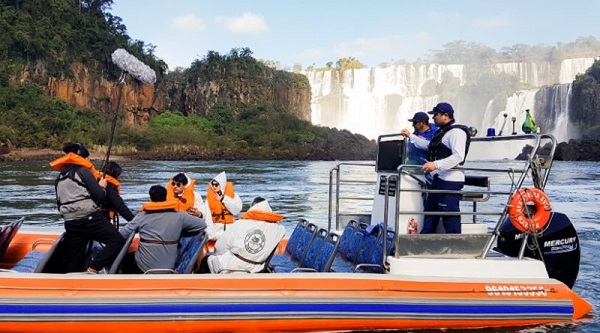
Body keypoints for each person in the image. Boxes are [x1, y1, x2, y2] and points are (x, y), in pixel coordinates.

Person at [49, 142, 125, 273]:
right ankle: (94, 267)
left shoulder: (60, 176)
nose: (89, 160)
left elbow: (59, 202)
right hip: (88, 218)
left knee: (75, 259)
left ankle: (71, 282)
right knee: (117, 240)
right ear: (81, 156)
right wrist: (102, 185)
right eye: (87, 157)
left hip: (70, 222)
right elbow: (100, 196)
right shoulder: (83, 171)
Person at [119, 185, 207, 273]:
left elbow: (123, 234)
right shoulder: (179, 216)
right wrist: (181, 230)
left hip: (143, 267)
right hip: (169, 267)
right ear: (166, 197)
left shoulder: (142, 216)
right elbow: (202, 225)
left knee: (125, 259)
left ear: (151, 198)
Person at [420, 102, 471, 234]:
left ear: (445, 116)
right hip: (439, 179)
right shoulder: (443, 132)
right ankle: (424, 243)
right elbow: (429, 146)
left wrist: (435, 164)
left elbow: (458, 156)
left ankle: (454, 247)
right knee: (430, 213)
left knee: (450, 218)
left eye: (435, 115)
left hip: (450, 181)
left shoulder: (456, 132)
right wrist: (412, 138)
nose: (433, 118)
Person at [200, 197, 285, 274]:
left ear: (252, 208)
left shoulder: (240, 224)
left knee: (205, 261)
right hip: (256, 268)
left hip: (230, 266)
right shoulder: (280, 230)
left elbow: (219, 247)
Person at [96, 161, 135, 227]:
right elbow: (120, 206)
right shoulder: (110, 187)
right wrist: (135, 222)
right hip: (102, 219)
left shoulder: (96, 181)